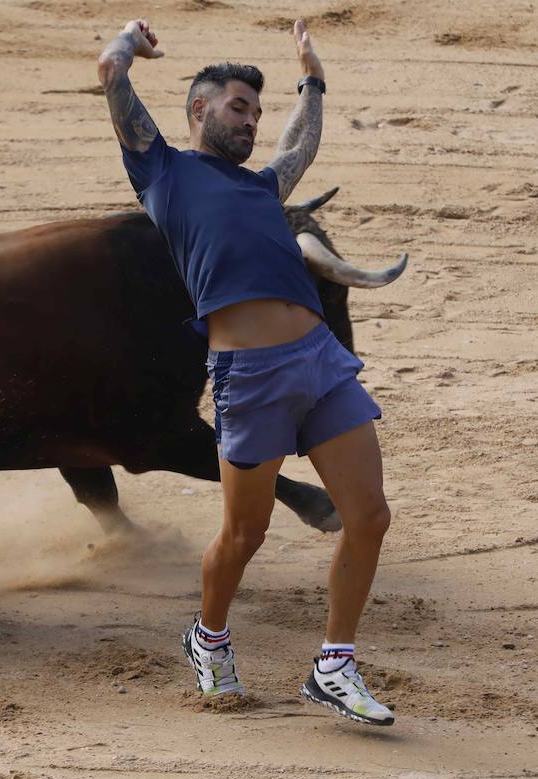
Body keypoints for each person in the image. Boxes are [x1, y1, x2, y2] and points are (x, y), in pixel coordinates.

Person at [97, 18, 394, 726]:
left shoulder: (264, 187)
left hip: (318, 361)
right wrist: (126, 44)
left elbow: (301, 145)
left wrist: (312, 79)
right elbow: (112, 79)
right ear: (199, 109)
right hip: (248, 375)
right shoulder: (162, 172)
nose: (252, 123)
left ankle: (335, 665)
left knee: (370, 517)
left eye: (257, 113)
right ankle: (209, 639)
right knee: (244, 536)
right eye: (239, 108)